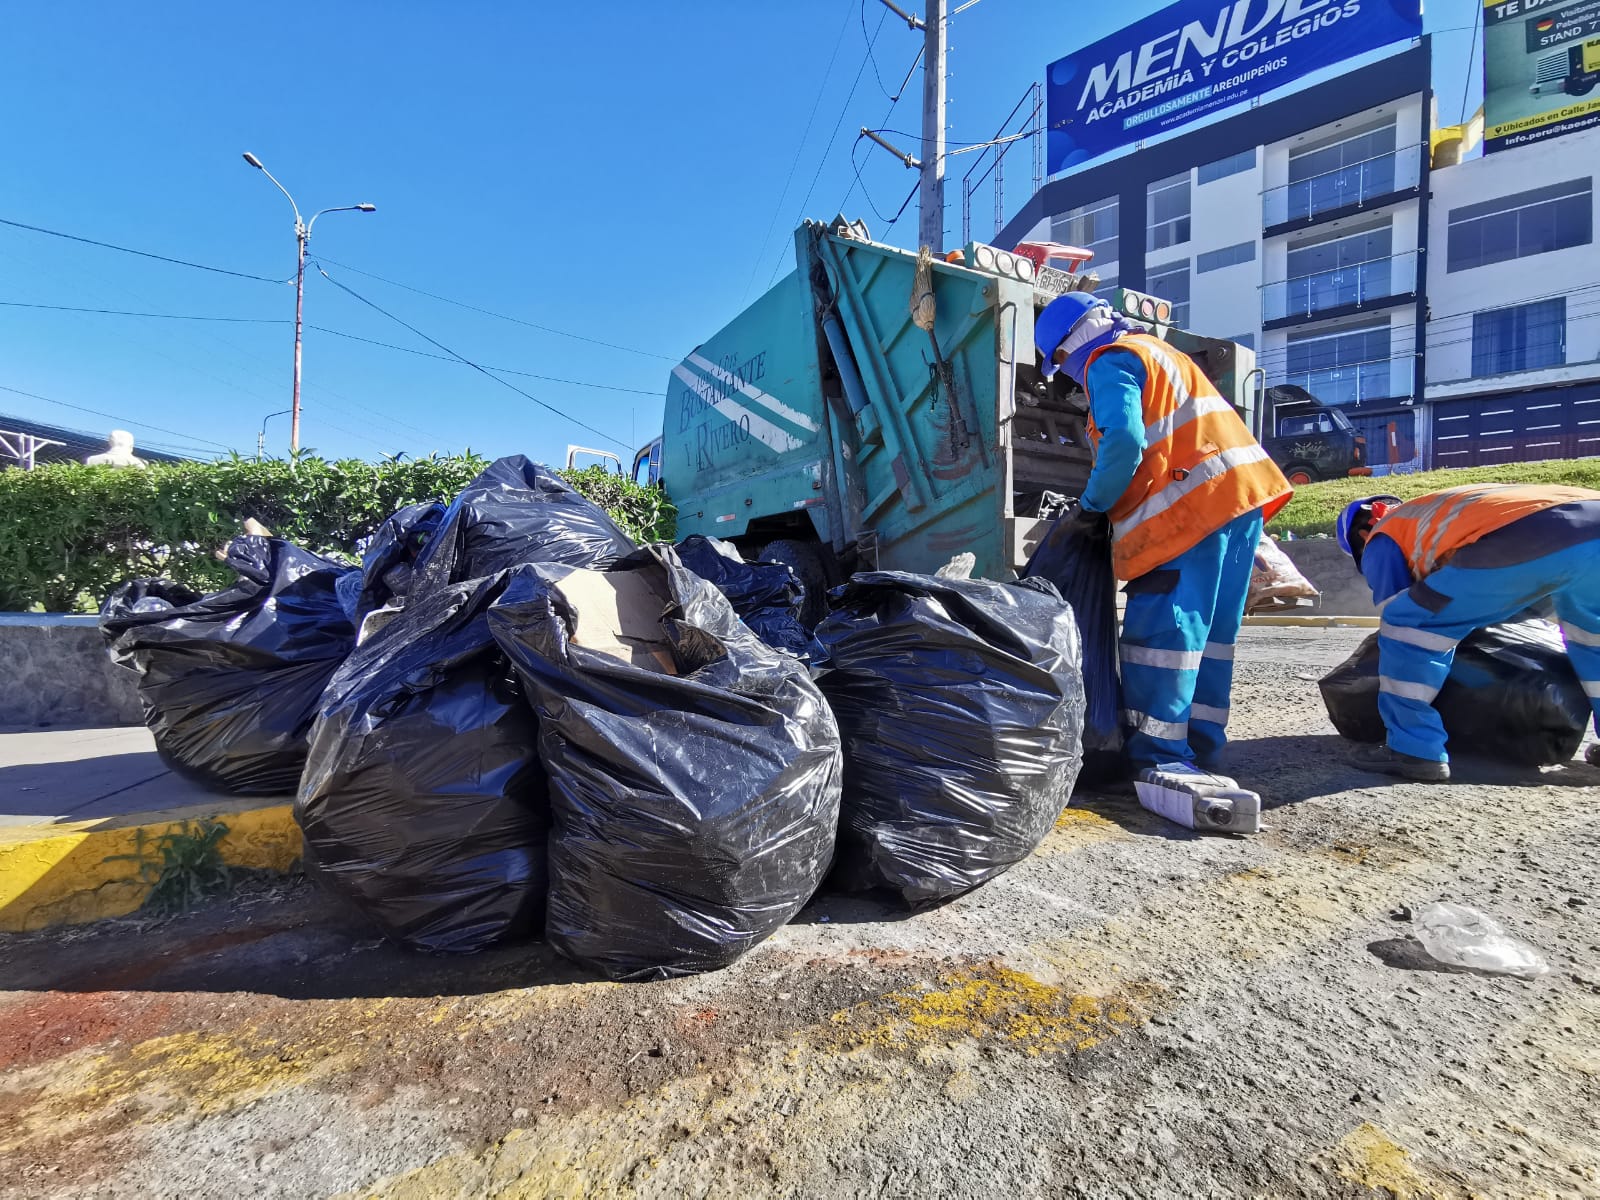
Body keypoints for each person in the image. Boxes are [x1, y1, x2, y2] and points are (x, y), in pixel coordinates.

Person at [1033, 292, 1293, 779]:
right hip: (1237, 504)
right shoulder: (1167, 355)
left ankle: (1162, 758)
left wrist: (1092, 508)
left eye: (1062, 361)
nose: (1067, 373)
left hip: (1187, 517)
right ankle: (1203, 747)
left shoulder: (1111, 361)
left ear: (1077, 340)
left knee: (1165, 639)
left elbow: (1125, 441)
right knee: (1211, 640)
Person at [1336, 483, 1600, 781]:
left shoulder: (1381, 535)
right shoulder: (1437, 511)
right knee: (1593, 641)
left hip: (1531, 534)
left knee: (1407, 625)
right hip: (1589, 517)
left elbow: (1400, 607)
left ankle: (1413, 748)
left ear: (1360, 538)